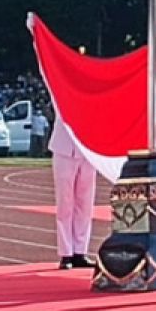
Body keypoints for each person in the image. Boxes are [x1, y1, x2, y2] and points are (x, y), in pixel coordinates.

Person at [48, 108, 99, 271]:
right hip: (64, 149)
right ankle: (66, 253)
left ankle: (80, 251)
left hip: (88, 149)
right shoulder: (64, 90)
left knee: (85, 204)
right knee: (65, 204)